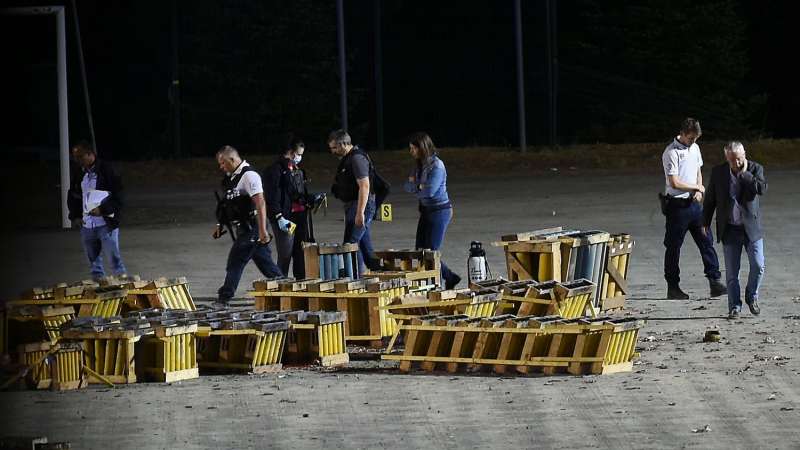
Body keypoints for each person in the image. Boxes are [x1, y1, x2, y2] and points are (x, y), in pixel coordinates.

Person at [661, 118, 726, 299]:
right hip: (677, 206)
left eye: (696, 138)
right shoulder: (671, 152)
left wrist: (699, 188)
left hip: (695, 205)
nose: (693, 142)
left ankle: (714, 281)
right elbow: (674, 182)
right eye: (691, 138)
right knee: (673, 247)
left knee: (706, 242)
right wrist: (695, 188)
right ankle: (673, 286)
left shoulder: (695, 148)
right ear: (682, 133)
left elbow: (698, 169)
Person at [703, 141, 767, 319]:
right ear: (726, 158)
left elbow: (761, 189)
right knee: (732, 273)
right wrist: (705, 221)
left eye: (738, 159)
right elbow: (710, 198)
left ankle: (751, 295)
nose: (736, 163)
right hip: (730, 228)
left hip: (751, 228)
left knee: (759, 265)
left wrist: (745, 175)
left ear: (744, 154)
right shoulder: (718, 172)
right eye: (732, 160)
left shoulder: (755, 169)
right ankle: (734, 306)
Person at [213, 145, 282, 304]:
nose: (221, 167)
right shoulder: (232, 178)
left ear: (232, 159)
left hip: (253, 227)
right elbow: (227, 204)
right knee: (267, 265)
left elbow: (260, 203)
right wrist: (220, 225)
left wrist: (263, 230)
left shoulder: (249, 175)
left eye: (223, 163)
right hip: (243, 228)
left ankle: (225, 296)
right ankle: (286, 287)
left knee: (236, 260)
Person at [403, 132, 461, 289]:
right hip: (426, 210)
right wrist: (419, 186)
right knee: (420, 251)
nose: (411, 152)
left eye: (413, 148)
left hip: (439, 211)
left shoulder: (437, 165)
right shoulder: (418, 165)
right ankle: (449, 277)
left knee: (431, 251)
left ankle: (438, 283)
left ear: (422, 148)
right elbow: (406, 186)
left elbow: (430, 192)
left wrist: (417, 186)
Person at [67, 140, 128, 280]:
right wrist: (75, 216)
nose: (77, 160)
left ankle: (122, 283)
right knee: (94, 264)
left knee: (114, 260)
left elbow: (119, 195)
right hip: (87, 225)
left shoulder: (106, 170)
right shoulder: (79, 173)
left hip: (105, 223)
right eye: (75, 157)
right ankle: (99, 285)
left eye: (80, 157)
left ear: (90, 154)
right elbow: (73, 196)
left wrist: (103, 209)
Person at [328, 129, 379, 273]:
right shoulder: (348, 158)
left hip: (361, 206)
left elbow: (364, 185)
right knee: (365, 248)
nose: (332, 151)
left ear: (344, 144)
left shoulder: (356, 158)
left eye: (334, 147)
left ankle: (355, 279)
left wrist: (360, 212)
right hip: (353, 206)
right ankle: (376, 271)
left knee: (349, 245)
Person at [264, 138, 310, 278]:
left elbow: (296, 193)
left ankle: (300, 281)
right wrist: (278, 216)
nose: (299, 158)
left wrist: (310, 199)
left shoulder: (294, 169)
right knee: (285, 253)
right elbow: (272, 196)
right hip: (285, 218)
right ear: (290, 152)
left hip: (299, 216)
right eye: (298, 154)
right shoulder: (276, 170)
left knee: (300, 252)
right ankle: (279, 282)